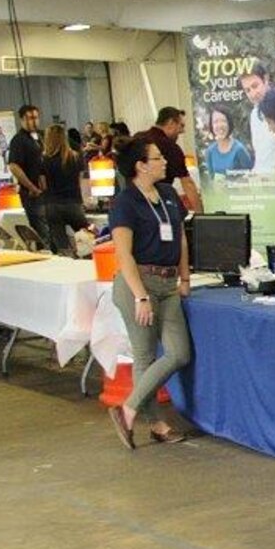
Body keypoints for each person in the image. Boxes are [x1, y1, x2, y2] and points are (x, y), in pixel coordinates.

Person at [106, 136, 193, 448]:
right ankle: (156, 424)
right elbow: (123, 254)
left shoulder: (168, 193)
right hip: (138, 284)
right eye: (157, 158)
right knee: (144, 354)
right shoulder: (125, 203)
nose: (164, 161)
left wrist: (184, 278)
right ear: (141, 166)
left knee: (179, 352)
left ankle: (127, 409)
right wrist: (140, 295)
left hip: (168, 284)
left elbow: (181, 239)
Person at [137, 107, 203, 214]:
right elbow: (188, 184)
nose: (183, 131)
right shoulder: (171, 147)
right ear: (171, 122)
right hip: (158, 205)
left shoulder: (138, 138)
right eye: (181, 125)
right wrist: (201, 215)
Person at [39, 124, 89, 252]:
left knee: (62, 246)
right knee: (87, 240)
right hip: (73, 203)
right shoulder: (76, 157)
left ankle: (67, 261)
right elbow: (80, 182)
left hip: (52, 205)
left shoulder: (43, 160)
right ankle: (89, 262)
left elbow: (43, 185)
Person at [7, 104, 49, 248]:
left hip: (48, 193)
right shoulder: (18, 140)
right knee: (43, 234)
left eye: (36, 118)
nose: (34, 121)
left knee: (51, 231)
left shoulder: (41, 137)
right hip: (33, 194)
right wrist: (31, 187)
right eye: (30, 118)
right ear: (22, 120)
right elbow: (14, 166)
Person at [203, 108, 254, 173]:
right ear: (211, 126)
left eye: (223, 121)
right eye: (215, 122)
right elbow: (211, 178)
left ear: (229, 124)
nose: (220, 125)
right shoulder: (210, 151)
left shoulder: (239, 149)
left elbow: (250, 175)